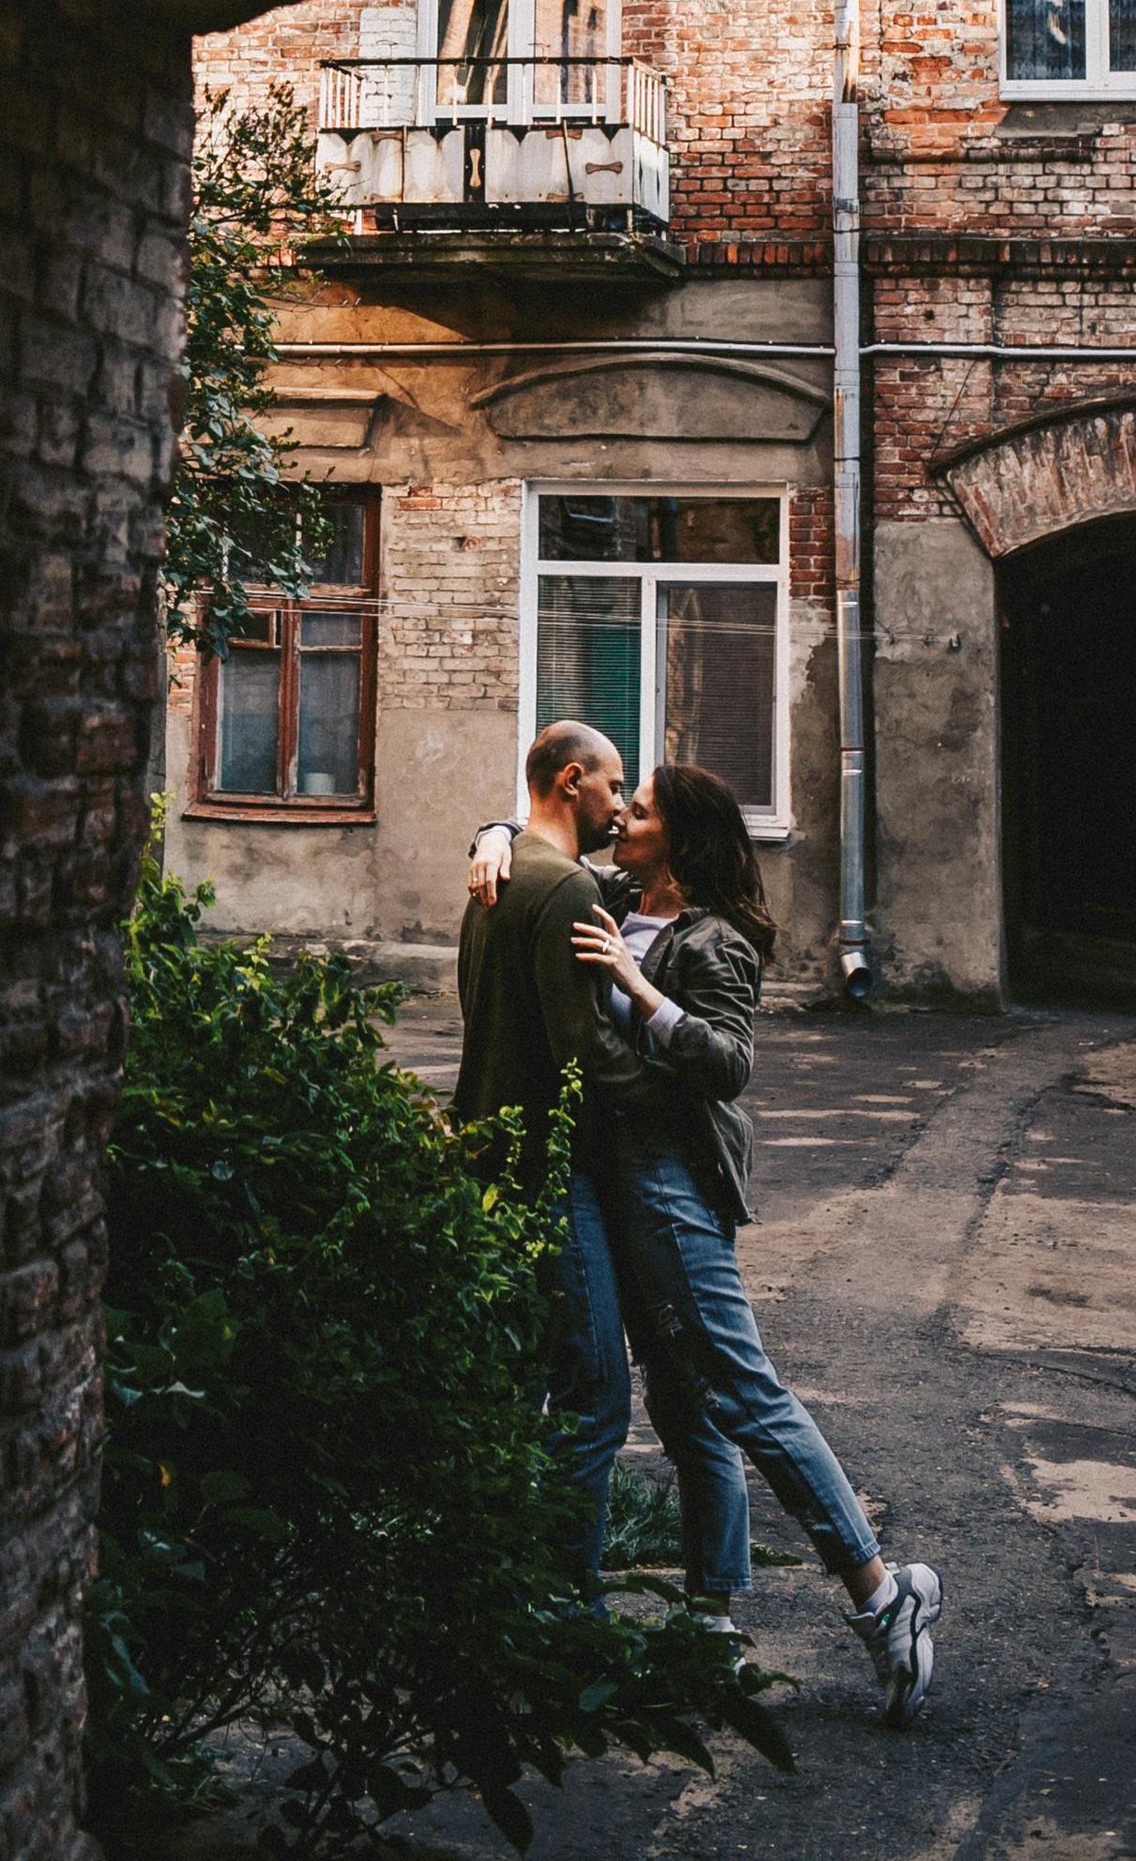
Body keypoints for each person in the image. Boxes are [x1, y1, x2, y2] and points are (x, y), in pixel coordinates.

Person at [468, 761, 945, 1723]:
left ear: (678, 840)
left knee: (743, 1392)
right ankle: (712, 1623)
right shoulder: (610, 896)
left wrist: (638, 987)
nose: (622, 818)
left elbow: (729, 1064)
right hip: (613, 1181)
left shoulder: (712, 939)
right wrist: (492, 834)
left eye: (640, 811)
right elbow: (546, 834)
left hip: (674, 1182)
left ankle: (879, 1591)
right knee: (688, 1409)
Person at [450, 716, 655, 1598]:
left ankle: (493, 1592)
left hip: (489, 1161)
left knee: (513, 1386)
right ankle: (565, 1608)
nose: (621, 803)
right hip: (547, 1169)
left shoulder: (498, 878)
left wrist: (494, 830)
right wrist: (674, 1092)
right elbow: (586, 1053)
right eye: (614, 784)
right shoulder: (564, 889)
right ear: (574, 781)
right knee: (596, 1397)